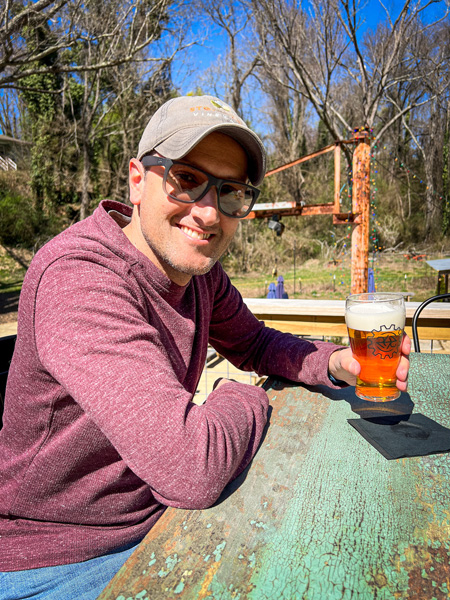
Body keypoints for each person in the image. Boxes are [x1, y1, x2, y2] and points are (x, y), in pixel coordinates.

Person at [0, 95, 410, 599]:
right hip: (60, 556)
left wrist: (335, 362)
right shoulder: (80, 278)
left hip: (155, 515)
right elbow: (192, 467)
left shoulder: (200, 277)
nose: (209, 212)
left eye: (232, 191)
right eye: (186, 178)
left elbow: (255, 341)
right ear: (136, 179)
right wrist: (245, 396)